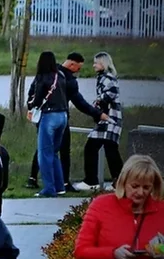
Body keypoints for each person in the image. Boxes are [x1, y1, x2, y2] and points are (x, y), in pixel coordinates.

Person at [27, 52, 107, 191]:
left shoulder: (46, 73)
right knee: (61, 151)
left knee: (43, 149)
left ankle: (34, 178)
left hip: (44, 115)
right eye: (78, 68)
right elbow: (80, 102)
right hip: (62, 116)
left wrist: (32, 108)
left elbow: (33, 93)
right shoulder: (68, 80)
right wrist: (97, 114)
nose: (78, 71)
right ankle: (63, 183)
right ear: (72, 64)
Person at [73, 52, 124, 192]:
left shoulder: (107, 77)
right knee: (109, 149)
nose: (94, 65)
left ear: (103, 63)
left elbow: (111, 92)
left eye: (96, 62)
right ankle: (118, 182)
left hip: (110, 118)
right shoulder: (105, 77)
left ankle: (92, 181)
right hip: (110, 118)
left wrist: (99, 102)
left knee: (95, 147)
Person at [26, 51, 71, 198]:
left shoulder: (42, 77)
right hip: (63, 115)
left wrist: (30, 105)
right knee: (54, 152)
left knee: (44, 154)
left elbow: (37, 99)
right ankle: (60, 186)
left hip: (49, 116)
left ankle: (49, 188)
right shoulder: (61, 76)